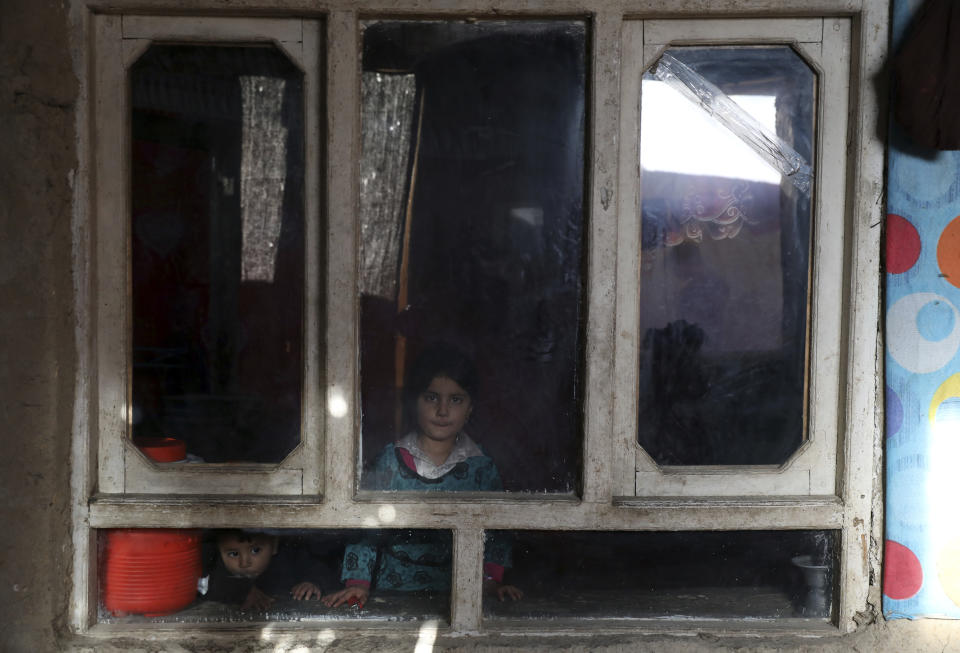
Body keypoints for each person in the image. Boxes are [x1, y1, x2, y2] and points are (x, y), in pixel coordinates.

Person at [322, 344, 523, 608]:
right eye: (431, 397)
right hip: (390, 591)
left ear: (470, 408)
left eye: (455, 399)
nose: (442, 410)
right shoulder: (390, 461)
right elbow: (365, 527)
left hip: (463, 594)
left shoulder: (481, 467)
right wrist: (358, 584)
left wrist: (490, 581)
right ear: (413, 402)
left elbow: (497, 532)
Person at [203, 530, 326, 610]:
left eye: (255, 550)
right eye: (234, 554)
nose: (244, 563)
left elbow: (317, 568)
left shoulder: (290, 558)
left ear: (274, 546)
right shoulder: (217, 569)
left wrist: (311, 582)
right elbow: (214, 593)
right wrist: (241, 591)